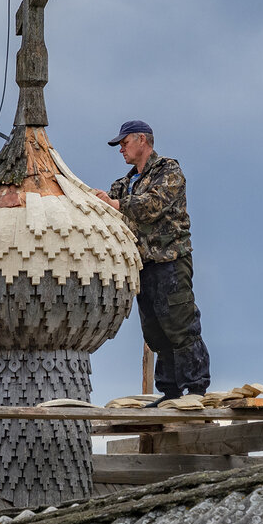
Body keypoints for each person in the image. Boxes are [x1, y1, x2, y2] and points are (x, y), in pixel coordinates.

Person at [95, 120, 211, 406]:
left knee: (180, 324)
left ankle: (195, 389)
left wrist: (116, 204)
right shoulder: (124, 183)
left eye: (125, 143)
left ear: (142, 140)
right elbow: (111, 214)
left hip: (170, 259)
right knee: (155, 331)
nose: (121, 149)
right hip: (142, 265)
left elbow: (153, 206)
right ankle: (170, 392)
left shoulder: (168, 170)